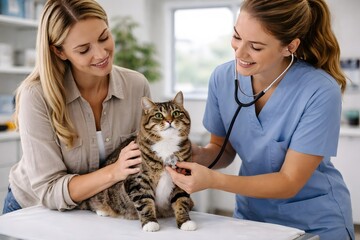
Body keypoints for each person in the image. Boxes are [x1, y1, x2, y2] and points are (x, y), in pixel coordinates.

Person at [166, 0, 355, 239]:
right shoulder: (222, 78)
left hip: (314, 222)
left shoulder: (319, 90)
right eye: (236, 37)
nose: (239, 52)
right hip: (252, 218)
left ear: (290, 46)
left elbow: (289, 181)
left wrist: (213, 180)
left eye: (255, 46)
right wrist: (197, 156)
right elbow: (222, 150)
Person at [2, 0, 150, 214]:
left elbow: (142, 158)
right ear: (60, 51)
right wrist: (114, 172)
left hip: (93, 209)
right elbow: (50, 189)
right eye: (83, 49)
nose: (101, 54)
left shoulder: (136, 86)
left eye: (104, 37)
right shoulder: (36, 96)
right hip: (34, 209)